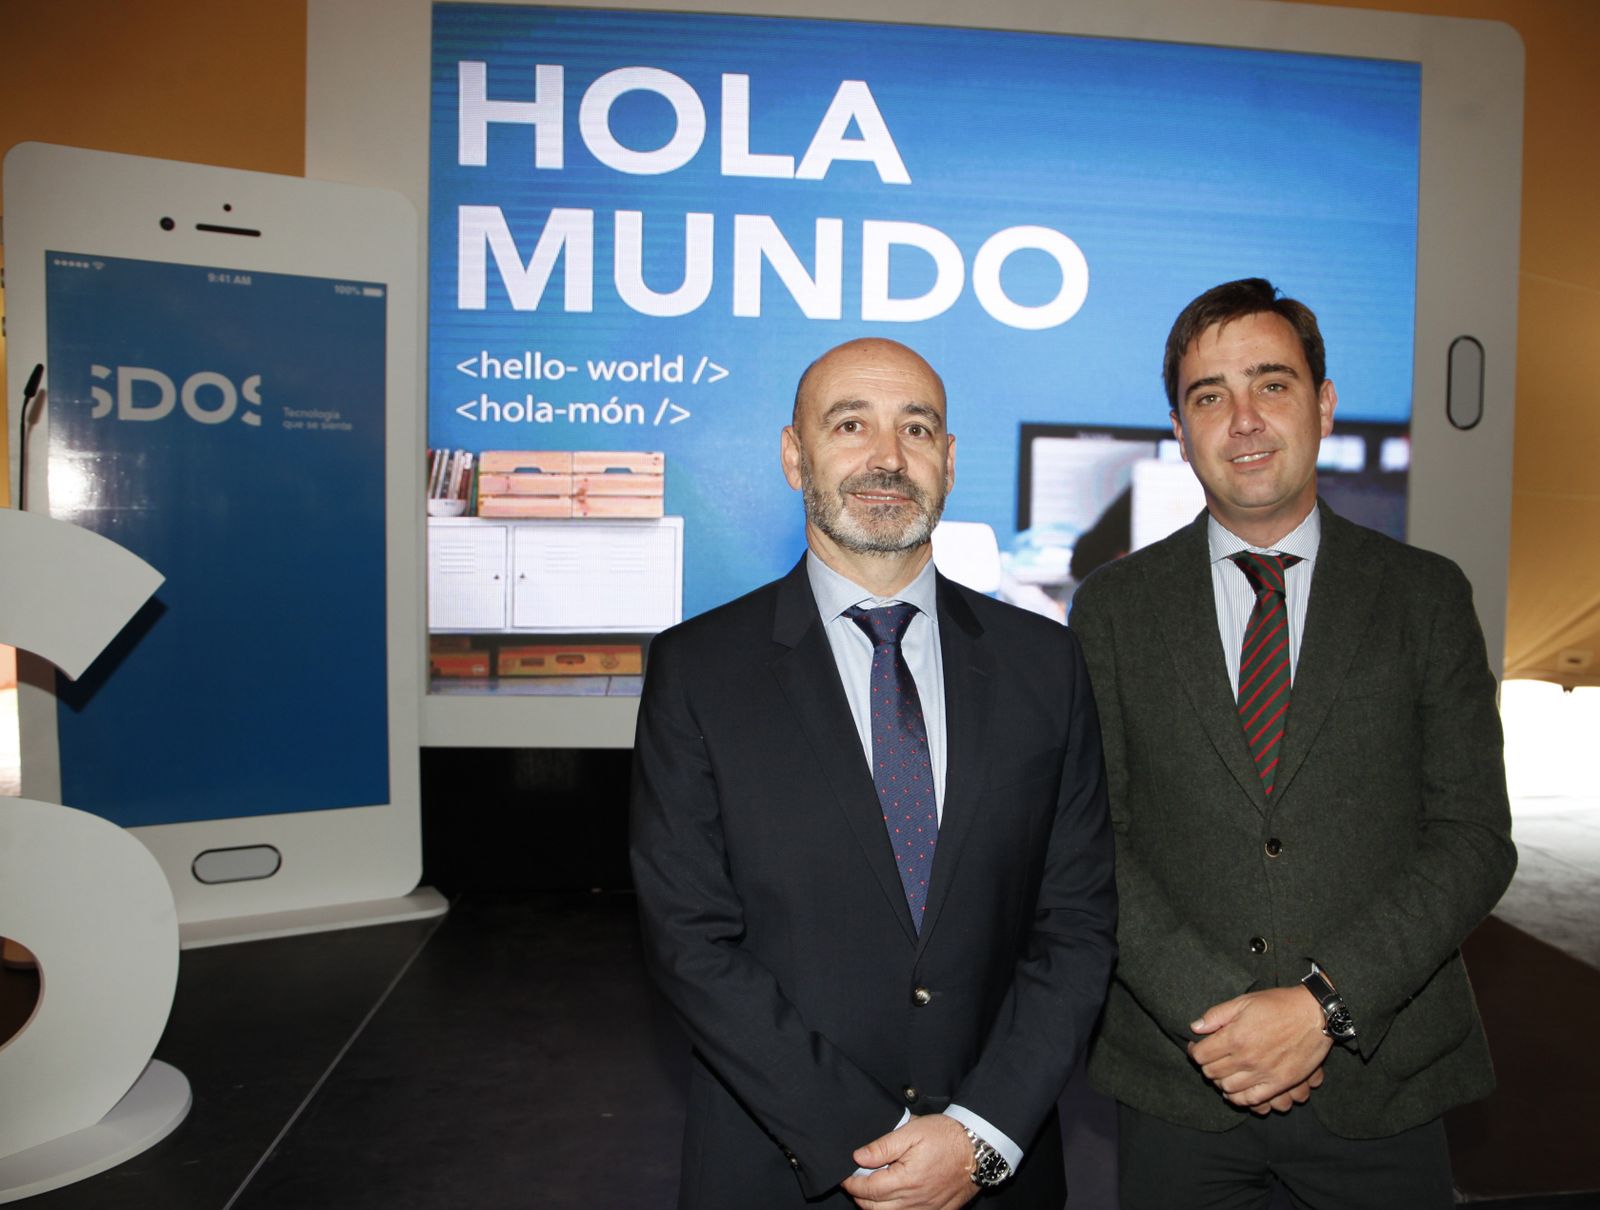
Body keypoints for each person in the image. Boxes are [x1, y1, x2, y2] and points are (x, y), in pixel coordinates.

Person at [630, 336, 1117, 1209]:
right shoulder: (698, 671)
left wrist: (979, 1132)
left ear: (950, 461)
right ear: (794, 455)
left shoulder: (1046, 665)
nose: (887, 458)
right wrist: (871, 1143)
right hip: (785, 1168)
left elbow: (1077, 925)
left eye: (918, 429)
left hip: (995, 1171)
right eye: (850, 424)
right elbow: (691, 942)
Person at [1070, 278, 1517, 1208]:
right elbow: (1092, 843)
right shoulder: (1113, 610)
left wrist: (1322, 1006)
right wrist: (1231, 1030)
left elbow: (1472, 835)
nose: (1242, 420)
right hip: (1185, 1083)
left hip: (1384, 1084)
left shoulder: (1426, 596)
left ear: (1323, 403)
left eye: (1271, 384)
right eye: (1208, 397)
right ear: (1179, 429)